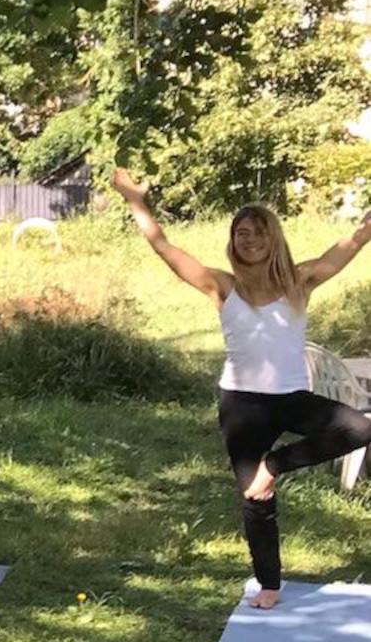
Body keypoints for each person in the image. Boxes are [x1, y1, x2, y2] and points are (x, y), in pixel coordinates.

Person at [110, 170, 371, 608]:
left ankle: (275, 463)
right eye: (241, 232)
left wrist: (364, 231)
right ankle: (269, 584)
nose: (249, 239)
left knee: (359, 428)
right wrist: (136, 200)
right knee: (255, 497)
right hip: (242, 404)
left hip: (292, 398)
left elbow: (346, 248)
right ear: (233, 241)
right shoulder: (222, 285)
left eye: (258, 232)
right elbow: (165, 248)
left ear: (274, 238)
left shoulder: (298, 281)